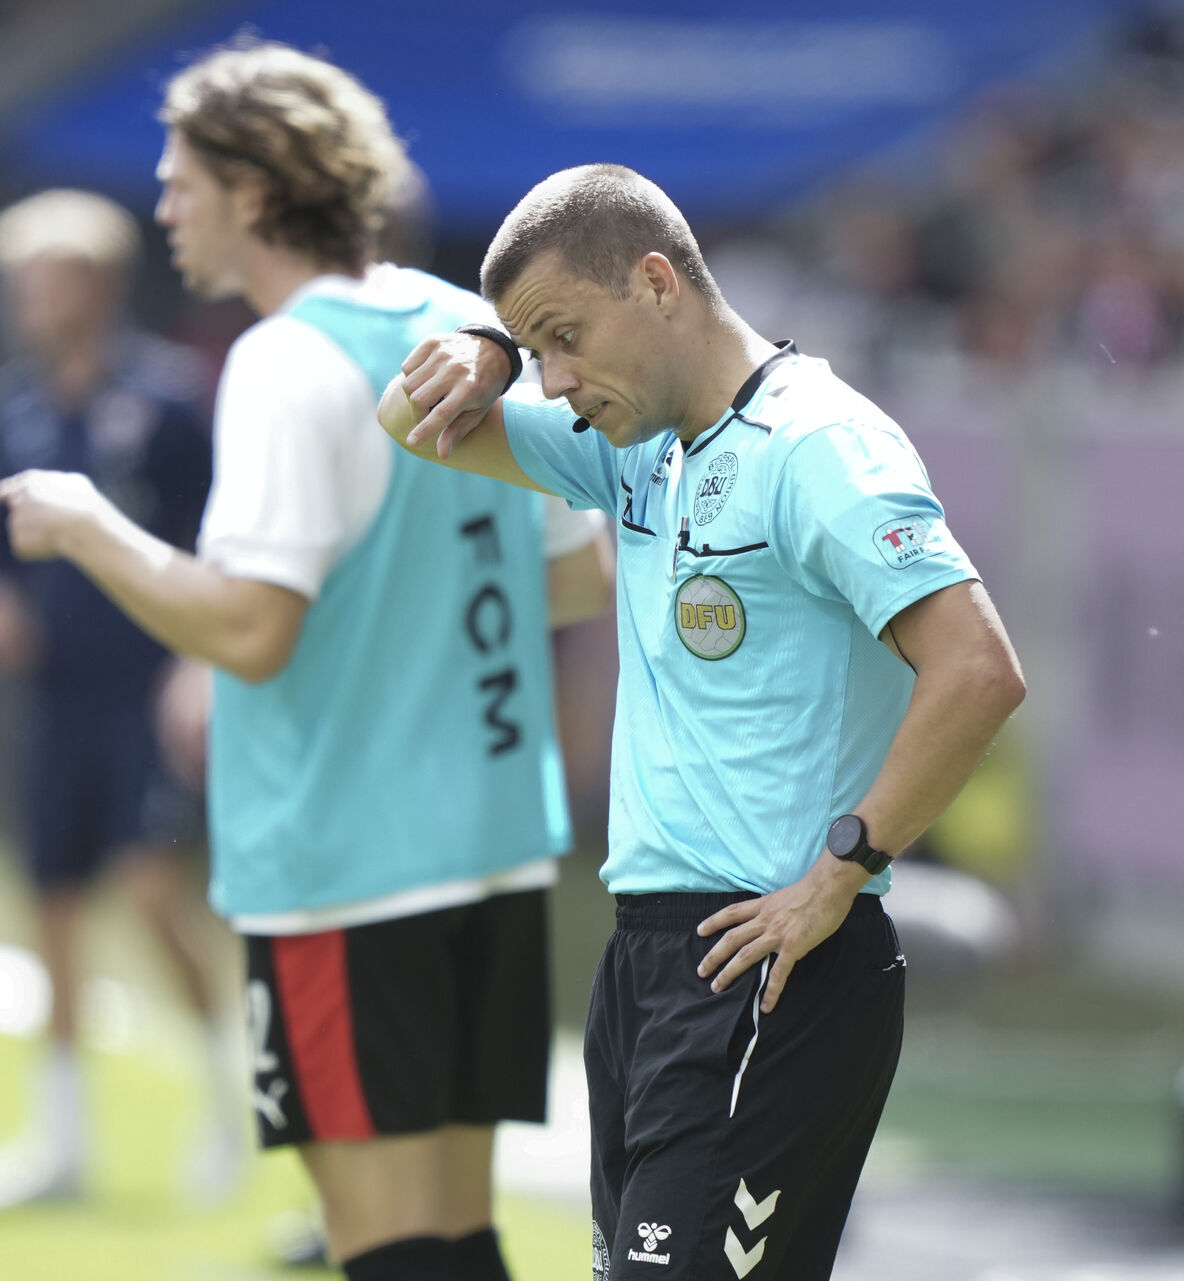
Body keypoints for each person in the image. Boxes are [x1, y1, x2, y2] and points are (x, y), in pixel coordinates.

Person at [0, 42, 607, 1281]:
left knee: (384, 1247)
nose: (162, 207)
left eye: (182, 182)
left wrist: (86, 528)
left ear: (256, 193)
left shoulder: (280, 358)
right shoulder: (453, 321)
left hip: (346, 860)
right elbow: (581, 571)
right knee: (458, 1234)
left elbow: (251, 628)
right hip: (490, 838)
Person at [380, 163, 1027, 1280]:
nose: (558, 377)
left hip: (771, 967)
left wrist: (843, 870)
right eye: (541, 352)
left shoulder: (819, 444)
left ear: (657, 280)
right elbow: (412, 423)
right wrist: (492, 343)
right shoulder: (638, 445)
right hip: (645, 964)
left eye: (568, 337)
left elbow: (978, 669)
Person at [0, 187, 233, 1209]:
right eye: (17, 280)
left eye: (47, 277)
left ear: (102, 285)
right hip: (56, 700)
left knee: (154, 895)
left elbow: (218, 539)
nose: (27, 298)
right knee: (53, 909)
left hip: (148, 693)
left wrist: (201, 665)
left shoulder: (167, 399)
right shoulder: (11, 406)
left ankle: (220, 1113)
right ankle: (62, 1144)